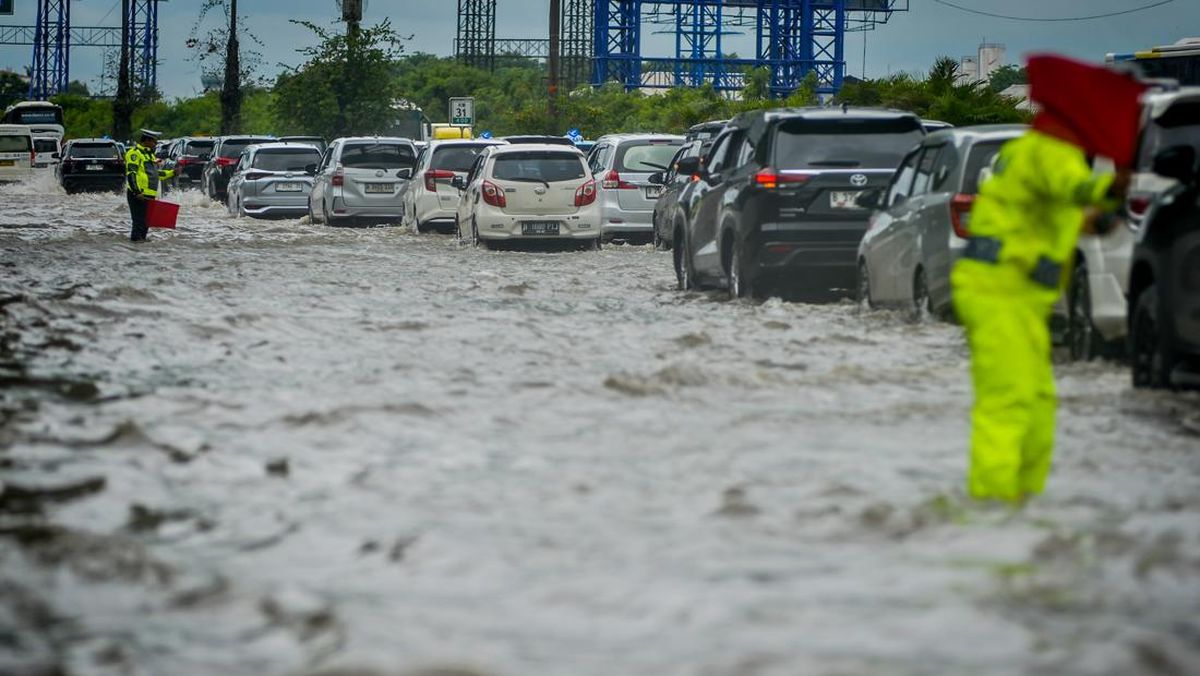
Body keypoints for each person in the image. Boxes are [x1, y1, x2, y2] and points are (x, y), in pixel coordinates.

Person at [951, 55, 1145, 503]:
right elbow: (1076, 190)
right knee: (1009, 400)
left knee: (1038, 402)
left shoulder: (1037, 151)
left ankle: (1022, 503)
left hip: (1018, 295)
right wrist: (1112, 186)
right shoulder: (1051, 153)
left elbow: (1069, 216)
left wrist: (1105, 213)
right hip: (1000, 290)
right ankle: (991, 507)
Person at [124, 129, 174, 242]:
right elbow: (131, 173)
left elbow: (156, 174)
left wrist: (173, 173)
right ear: (146, 140)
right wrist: (136, 192)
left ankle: (142, 248)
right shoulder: (134, 153)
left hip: (149, 195)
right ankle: (135, 246)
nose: (155, 144)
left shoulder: (149, 154)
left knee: (146, 224)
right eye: (154, 141)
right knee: (138, 223)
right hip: (138, 194)